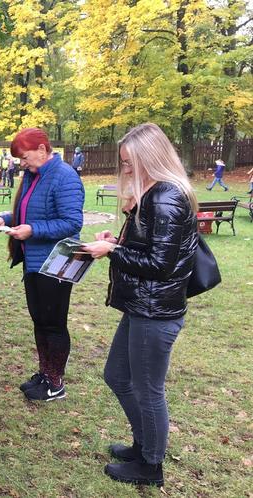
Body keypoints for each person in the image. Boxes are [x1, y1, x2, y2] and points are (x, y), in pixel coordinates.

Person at [81, 123, 198, 488]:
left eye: (130, 163)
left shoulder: (166, 197)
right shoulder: (153, 195)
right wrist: (117, 241)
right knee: (116, 375)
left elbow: (160, 265)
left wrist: (113, 251)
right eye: (124, 163)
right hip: (142, 307)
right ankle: (143, 443)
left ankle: (151, 466)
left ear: (150, 157)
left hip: (155, 312)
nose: (126, 170)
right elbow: (149, 249)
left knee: (148, 389)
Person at [0, 128, 84, 402]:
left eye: (25, 157)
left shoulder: (65, 177)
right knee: (40, 321)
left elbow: (71, 223)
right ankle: (45, 373)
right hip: (33, 262)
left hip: (56, 263)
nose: (22, 163)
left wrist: (33, 230)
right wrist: (7, 220)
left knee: (53, 324)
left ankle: (55, 383)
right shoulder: (33, 176)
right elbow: (28, 212)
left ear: (42, 150)